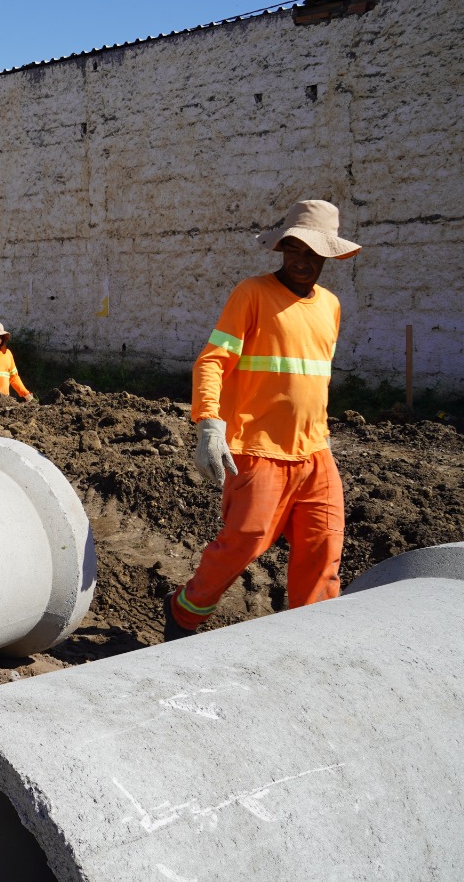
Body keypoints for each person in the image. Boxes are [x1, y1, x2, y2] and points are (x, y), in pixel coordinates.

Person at [165, 199, 361, 639]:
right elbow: (212, 361)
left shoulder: (329, 305)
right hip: (257, 448)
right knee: (246, 541)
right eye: (294, 249)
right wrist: (209, 424)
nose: (302, 261)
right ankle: (184, 611)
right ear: (282, 247)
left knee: (323, 548)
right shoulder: (251, 294)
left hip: (315, 451)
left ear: (327, 257)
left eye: (313, 253)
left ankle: (314, 639)